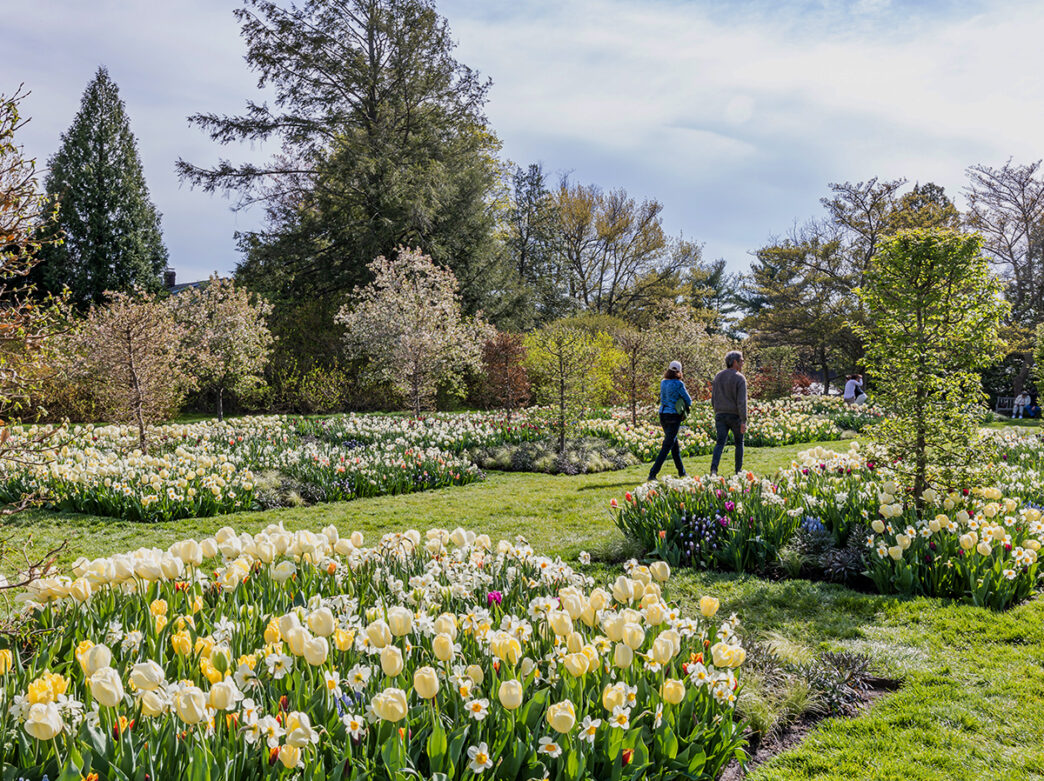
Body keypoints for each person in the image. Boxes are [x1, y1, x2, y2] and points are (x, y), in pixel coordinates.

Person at [647, 360, 692, 481]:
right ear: (679, 371)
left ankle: (682, 472)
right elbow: (689, 401)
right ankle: (653, 473)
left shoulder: (663, 382)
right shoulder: (678, 384)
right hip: (673, 416)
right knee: (667, 446)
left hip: (663, 414)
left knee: (674, 445)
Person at [710, 350, 747, 476]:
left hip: (720, 414)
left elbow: (713, 398)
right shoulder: (739, 377)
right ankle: (738, 471)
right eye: (741, 360)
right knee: (739, 443)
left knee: (720, 443)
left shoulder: (718, 376)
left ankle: (714, 470)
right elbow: (741, 402)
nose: (743, 363)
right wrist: (743, 420)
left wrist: (717, 410)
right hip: (735, 416)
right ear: (735, 362)